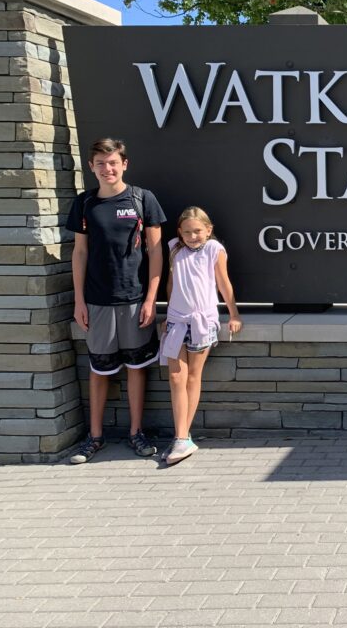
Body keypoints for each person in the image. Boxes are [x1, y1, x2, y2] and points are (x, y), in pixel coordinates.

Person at [67, 138, 166, 464]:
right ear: (92, 167)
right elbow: (80, 253)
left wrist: (152, 298)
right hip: (96, 302)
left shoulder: (142, 200)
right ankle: (94, 438)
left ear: (124, 164)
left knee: (137, 369)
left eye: (113, 162)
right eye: (100, 163)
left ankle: (136, 433)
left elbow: (155, 252)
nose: (107, 169)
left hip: (135, 299)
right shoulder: (84, 204)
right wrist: (79, 300)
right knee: (100, 370)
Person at [160, 207, 242, 465]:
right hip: (176, 321)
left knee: (193, 377)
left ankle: (182, 437)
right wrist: (167, 311)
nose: (193, 236)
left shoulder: (213, 251)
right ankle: (182, 436)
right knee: (176, 377)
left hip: (201, 321)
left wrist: (234, 314)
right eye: (187, 232)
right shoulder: (174, 248)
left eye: (198, 231)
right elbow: (171, 282)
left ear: (209, 230)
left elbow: (223, 283)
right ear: (179, 233)